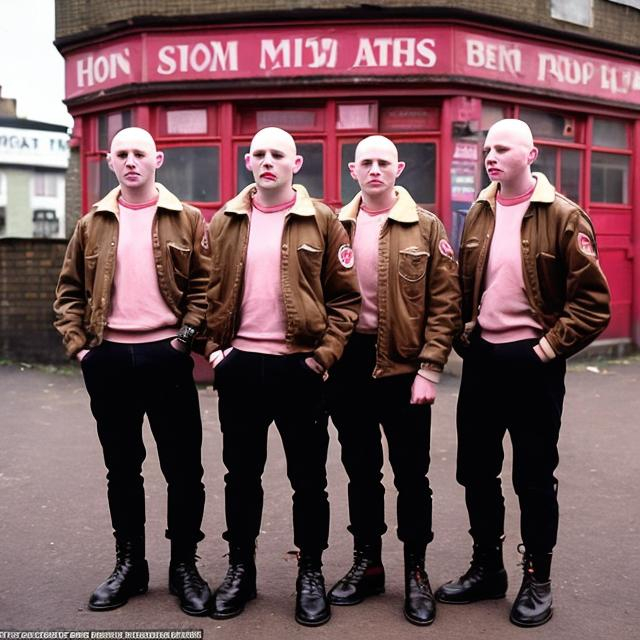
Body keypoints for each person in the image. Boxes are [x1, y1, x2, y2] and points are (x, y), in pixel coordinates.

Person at [435, 119, 611, 627]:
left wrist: (546, 350)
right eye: (487, 148)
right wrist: (466, 336)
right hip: (484, 361)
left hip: (534, 364)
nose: (490, 156)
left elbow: (593, 304)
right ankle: (487, 569)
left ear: (530, 154)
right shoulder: (479, 212)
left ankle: (538, 577)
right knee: (475, 471)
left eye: (502, 148)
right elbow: (465, 286)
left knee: (533, 477)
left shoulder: (563, 216)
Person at [204, 126, 360, 626]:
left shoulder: (323, 221)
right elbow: (206, 295)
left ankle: (310, 571)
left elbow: (346, 300)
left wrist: (323, 358)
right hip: (241, 368)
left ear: (297, 164)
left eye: (279, 154)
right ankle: (241, 570)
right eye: (260, 154)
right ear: (248, 161)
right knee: (240, 476)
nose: (268, 161)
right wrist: (213, 352)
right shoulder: (225, 221)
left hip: (301, 369)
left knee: (309, 481)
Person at [53, 127, 211, 616]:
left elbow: (206, 288)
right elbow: (69, 293)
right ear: (110, 162)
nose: (131, 161)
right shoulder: (92, 223)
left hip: (167, 358)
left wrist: (183, 342)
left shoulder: (187, 219)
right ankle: (130, 565)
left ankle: (184, 566)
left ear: (157, 160)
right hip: (111, 362)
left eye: (140, 153)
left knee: (184, 470)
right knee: (122, 470)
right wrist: (83, 351)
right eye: (121, 154)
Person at [327, 136, 460, 625]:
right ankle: (368, 563)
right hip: (348, 364)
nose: (376, 169)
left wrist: (430, 369)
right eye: (367, 163)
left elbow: (446, 304)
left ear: (399, 169)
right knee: (361, 472)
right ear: (353, 170)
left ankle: (417, 572)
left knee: (411, 476)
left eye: (385, 162)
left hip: (405, 368)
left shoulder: (425, 227)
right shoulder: (333, 226)